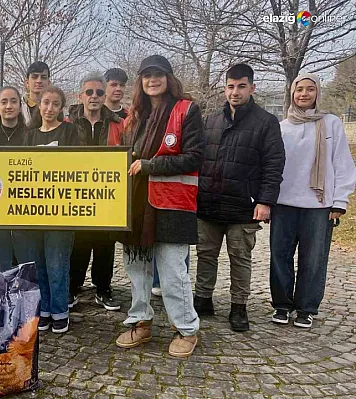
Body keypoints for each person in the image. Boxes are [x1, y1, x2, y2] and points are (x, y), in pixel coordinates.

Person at [113, 55, 203, 358]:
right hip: (136, 205)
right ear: (140, 81)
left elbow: (193, 157)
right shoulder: (132, 116)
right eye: (146, 75)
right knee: (136, 268)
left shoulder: (187, 110)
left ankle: (187, 328)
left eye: (158, 75)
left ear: (169, 78)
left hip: (172, 206)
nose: (152, 80)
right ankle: (141, 321)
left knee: (172, 271)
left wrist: (150, 165)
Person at [194, 64, 286, 332]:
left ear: (252, 88)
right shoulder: (211, 120)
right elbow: (200, 160)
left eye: (241, 86)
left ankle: (238, 307)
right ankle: (202, 299)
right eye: (230, 86)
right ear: (225, 89)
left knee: (240, 257)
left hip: (243, 206)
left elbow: (274, 164)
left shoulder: (266, 122)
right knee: (206, 254)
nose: (235, 92)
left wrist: (265, 201)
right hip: (209, 202)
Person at [270, 73, 356, 328]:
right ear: (292, 93)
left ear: (317, 93)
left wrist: (340, 200)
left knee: (314, 258)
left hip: (319, 205)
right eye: (299, 90)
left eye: (310, 89)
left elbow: (342, 163)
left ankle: (306, 308)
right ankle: (282, 305)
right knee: (280, 255)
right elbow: (272, 165)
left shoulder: (331, 124)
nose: (304, 94)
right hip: (284, 203)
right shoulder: (282, 127)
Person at [16, 86, 79, 334]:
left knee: (57, 262)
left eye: (55, 104)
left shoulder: (70, 131)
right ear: (38, 105)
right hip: (34, 210)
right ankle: (42, 310)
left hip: (61, 211)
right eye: (45, 103)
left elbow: (78, 165)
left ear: (61, 107)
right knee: (38, 262)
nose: (49, 108)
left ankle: (60, 310)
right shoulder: (30, 136)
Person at [68, 72, 124, 311]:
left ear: (105, 96)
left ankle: (103, 288)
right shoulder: (68, 123)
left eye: (99, 92)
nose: (94, 96)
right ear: (80, 95)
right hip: (76, 195)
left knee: (104, 244)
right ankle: (72, 287)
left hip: (107, 195)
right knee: (77, 243)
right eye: (89, 92)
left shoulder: (118, 124)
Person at [0, 86, 28, 271]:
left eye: (13, 101)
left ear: (20, 106)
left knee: (24, 257)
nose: (9, 106)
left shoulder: (30, 134)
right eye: (4, 102)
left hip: (23, 204)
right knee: (1, 260)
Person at [22, 61, 51, 129]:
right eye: (34, 77)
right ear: (27, 83)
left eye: (43, 77)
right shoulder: (18, 107)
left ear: (48, 83)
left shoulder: (55, 107)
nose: (39, 81)